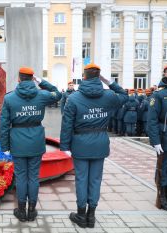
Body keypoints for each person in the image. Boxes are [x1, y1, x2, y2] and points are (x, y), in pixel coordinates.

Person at [60, 64, 128, 228]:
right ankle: (91, 216)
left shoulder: (74, 98)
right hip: (100, 143)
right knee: (95, 180)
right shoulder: (108, 95)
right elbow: (124, 96)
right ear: (99, 78)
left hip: (80, 143)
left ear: (84, 77)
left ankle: (81, 215)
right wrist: (110, 82)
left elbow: (67, 124)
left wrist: (65, 146)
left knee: (81, 179)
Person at [0, 67, 62, 222]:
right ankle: (32, 211)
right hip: (35, 141)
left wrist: (4, 147)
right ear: (32, 79)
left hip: (17, 141)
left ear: (19, 79)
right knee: (33, 177)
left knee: (21, 177)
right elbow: (57, 93)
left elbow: (4, 125)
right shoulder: (41, 95)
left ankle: (21, 211)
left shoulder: (10, 98)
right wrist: (42, 82)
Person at [147, 62, 167, 211]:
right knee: (163, 167)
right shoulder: (159, 94)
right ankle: (162, 196)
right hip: (166, 135)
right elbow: (151, 120)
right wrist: (155, 141)